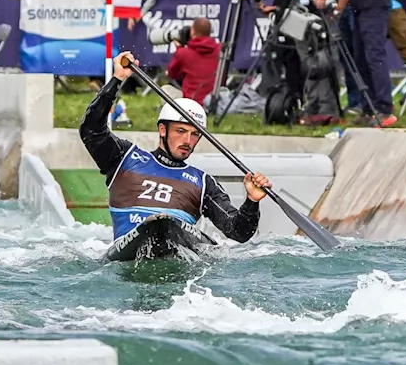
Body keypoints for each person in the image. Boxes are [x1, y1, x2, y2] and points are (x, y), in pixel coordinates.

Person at [80, 50, 272, 246]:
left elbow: (237, 232)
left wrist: (252, 201)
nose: (188, 140)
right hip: (126, 255)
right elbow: (91, 129)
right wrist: (117, 79)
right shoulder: (123, 158)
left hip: (180, 264)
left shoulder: (203, 183)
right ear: (162, 130)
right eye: (180, 131)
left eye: (195, 134)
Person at [167, 18, 221, 105]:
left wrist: (179, 50)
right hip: (215, 102)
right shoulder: (220, 50)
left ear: (192, 31)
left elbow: (172, 74)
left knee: (166, 89)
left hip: (191, 102)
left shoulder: (183, 53)